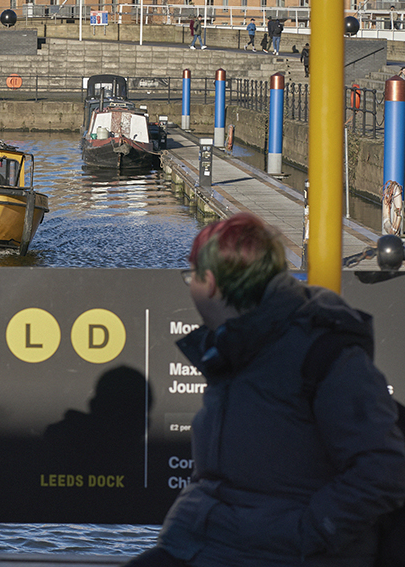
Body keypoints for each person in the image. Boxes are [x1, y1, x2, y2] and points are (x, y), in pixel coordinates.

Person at [123, 213, 405, 567]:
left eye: (190, 276)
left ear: (209, 283)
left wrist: (310, 532)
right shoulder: (235, 349)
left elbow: (384, 467)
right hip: (209, 543)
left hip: (276, 552)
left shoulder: (321, 352)